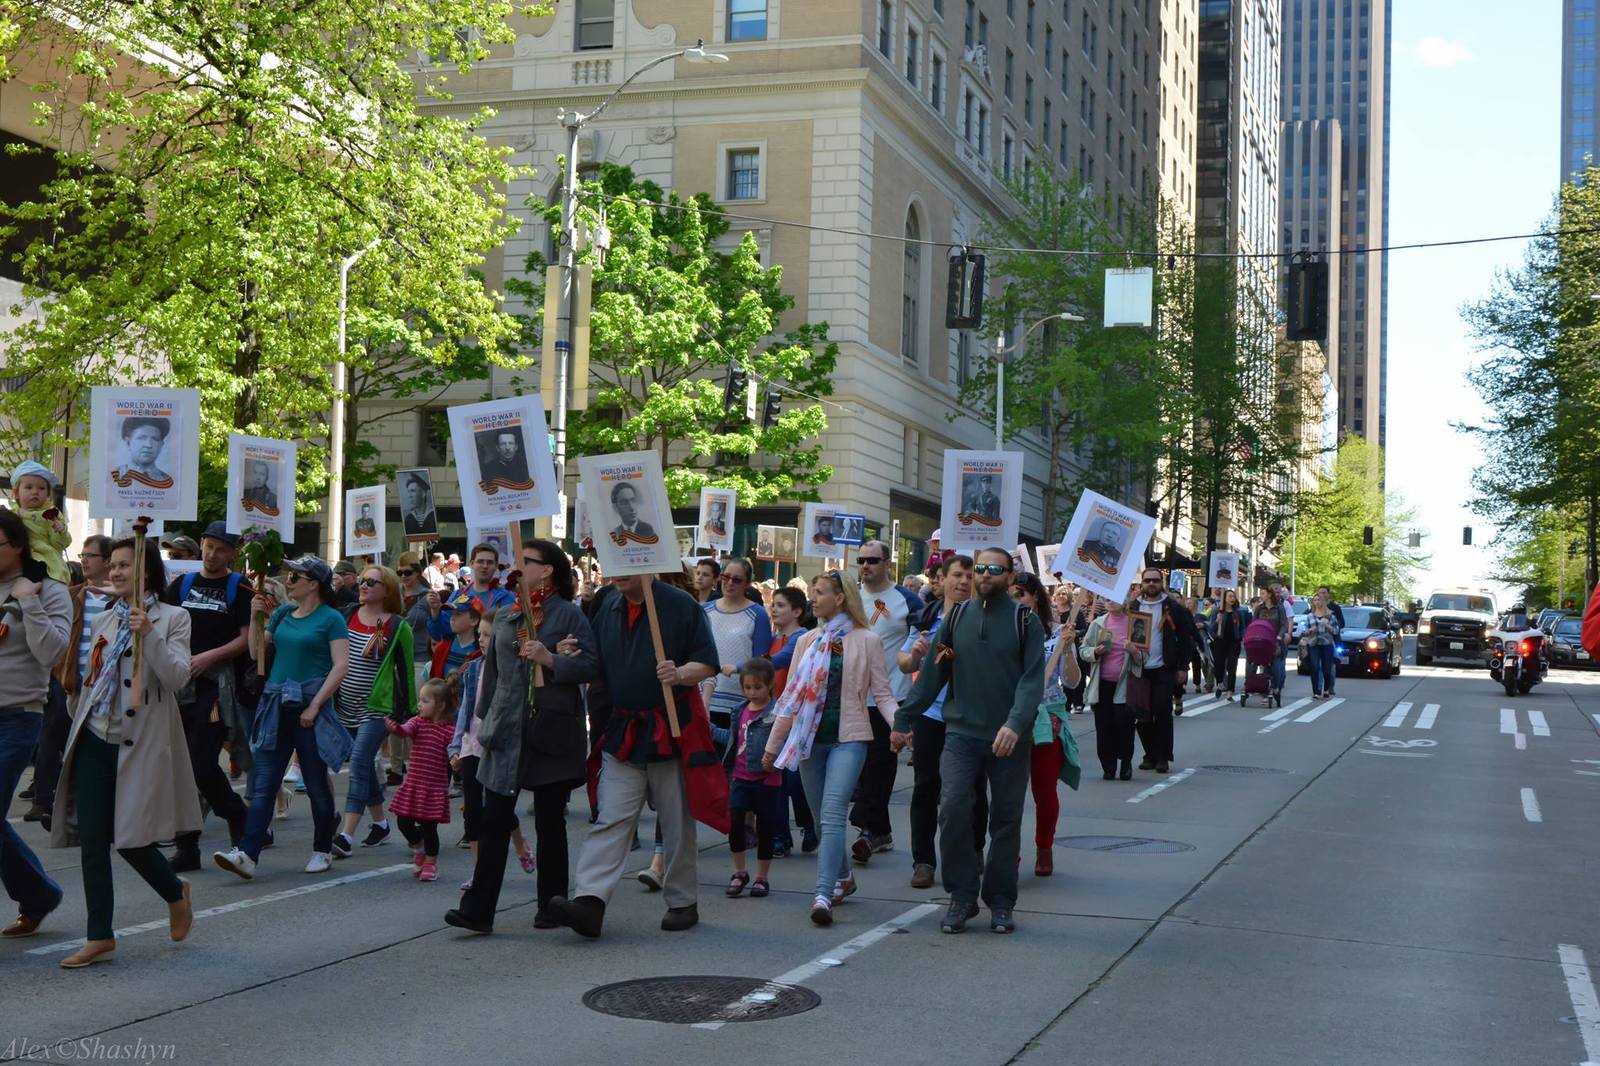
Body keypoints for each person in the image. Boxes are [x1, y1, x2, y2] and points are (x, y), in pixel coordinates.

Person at [49, 537, 197, 968]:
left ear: (146, 571)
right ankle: (100, 936)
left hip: (142, 743)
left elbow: (176, 678)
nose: (114, 572)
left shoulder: (174, 618)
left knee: (132, 839)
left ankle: (175, 892)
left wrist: (148, 634)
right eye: (111, 565)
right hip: (96, 736)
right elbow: (93, 676)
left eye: (124, 565)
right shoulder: (104, 620)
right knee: (92, 840)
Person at [548, 572, 717, 939]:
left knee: (676, 821)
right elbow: (593, 662)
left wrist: (680, 673)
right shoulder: (606, 602)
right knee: (610, 817)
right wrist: (569, 653)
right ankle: (590, 902)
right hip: (623, 727)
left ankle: (682, 901)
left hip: (670, 727)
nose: (616, 574)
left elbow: (706, 663)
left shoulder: (680, 604)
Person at [891, 546, 1045, 935]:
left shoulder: (1026, 622)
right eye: (981, 568)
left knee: (1006, 821)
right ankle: (961, 896)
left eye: (996, 569)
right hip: (961, 734)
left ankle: (1001, 902)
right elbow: (934, 671)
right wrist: (904, 717)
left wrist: (1014, 723)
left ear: (1011, 577)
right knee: (954, 808)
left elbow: (1031, 681)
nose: (986, 574)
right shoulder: (957, 616)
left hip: (1010, 739)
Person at [447, 540, 598, 932]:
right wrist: (485, 719)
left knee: (550, 821)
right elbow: (495, 669)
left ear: (547, 569)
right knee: (493, 819)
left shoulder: (569, 615)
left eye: (527, 561)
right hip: (506, 730)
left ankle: (551, 905)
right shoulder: (508, 615)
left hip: (550, 730)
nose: (518, 566)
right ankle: (477, 910)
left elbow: (592, 666)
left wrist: (553, 658)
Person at [761, 569, 898, 926]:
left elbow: (882, 694)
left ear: (839, 598)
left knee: (833, 815)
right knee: (823, 821)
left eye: (819, 592)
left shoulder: (867, 640)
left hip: (849, 739)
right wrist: (773, 746)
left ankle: (822, 894)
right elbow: (790, 698)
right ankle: (845, 877)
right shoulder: (808, 641)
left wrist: (901, 726)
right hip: (809, 741)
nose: (813, 599)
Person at [213, 556, 352, 880]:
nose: (288, 580)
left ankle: (321, 848)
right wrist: (255, 617)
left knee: (317, 785)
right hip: (276, 702)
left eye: (295, 576)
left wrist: (315, 705)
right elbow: (254, 651)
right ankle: (248, 853)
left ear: (313, 583)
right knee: (263, 784)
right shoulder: (284, 613)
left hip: (308, 706)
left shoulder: (331, 618)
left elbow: (340, 665)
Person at [161, 521, 253, 871]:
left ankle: (236, 814)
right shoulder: (181, 584)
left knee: (200, 764)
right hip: (177, 684)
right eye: (208, 546)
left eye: (221, 549)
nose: (212, 554)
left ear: (232, 553)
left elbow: (247, 637)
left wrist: (210, 657)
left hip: (215, 688)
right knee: (178, 768)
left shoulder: (239, 587)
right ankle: (187, 847)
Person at [0, 509, 71, 940]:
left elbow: (54, 654)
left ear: (19, 545)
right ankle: (39, 894)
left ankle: (39, 894)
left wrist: (28, 601)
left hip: (16, 718)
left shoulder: (49, 591)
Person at [897, 553, 987, 890]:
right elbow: (905, 663)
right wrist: (917, 655)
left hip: (971, 717)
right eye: (957, 575)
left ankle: (974, 849)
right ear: (941, 580)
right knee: (926, 787)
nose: (964, 581)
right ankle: (923, 861)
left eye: (969, 576)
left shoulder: (984, 619)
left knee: (972, 789)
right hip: (932, 715)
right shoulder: (926, 617)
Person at [331, 565, 417, 859]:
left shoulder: (397, 626)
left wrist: (410, 716)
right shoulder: (345, 615)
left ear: (387, 591)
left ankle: (345, 835)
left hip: (377, 709)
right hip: (343, 704)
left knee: (358, 762)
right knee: (365, 767)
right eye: (363, 580)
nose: (364, 585)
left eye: (372, 582)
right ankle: (381, 823)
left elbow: (406, 675)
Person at [849, 539, 922, 863]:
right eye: (861, 561)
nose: (866, 566)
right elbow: (836, 638)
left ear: (887, 564)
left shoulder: (906, 600)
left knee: (881, 760)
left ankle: (865, 823)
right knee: (861, 764)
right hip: (854, 694)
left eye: (873, 561)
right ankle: (880, 832)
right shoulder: (850, 597)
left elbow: (925, 636)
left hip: (893, 695)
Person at [36, 535, 115, 824]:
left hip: (105, 693)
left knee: (88, 755)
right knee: (53, 744)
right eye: (82, 554)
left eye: (90, 555)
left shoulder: (120, 600)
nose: (83, 559)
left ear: (106, 561)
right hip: (70, 686)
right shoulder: (71, 595)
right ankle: (49, 804)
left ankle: (80, 815)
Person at [1013, 573, 1079, 876]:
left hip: (1045, 718)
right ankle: (1007, 850)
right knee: (1007, 791)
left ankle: (1044, 847)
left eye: (1022, 593)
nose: (1017, 600)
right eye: (1011, 594)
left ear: (1036, 596)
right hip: (1008, 717)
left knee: (1043, 788)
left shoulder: (1057, 632)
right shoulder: (1002, 630)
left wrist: (1066, 649)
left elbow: (1073, 680)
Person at [381, 678, 455, 881]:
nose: (420, 704)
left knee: (429, 827)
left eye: (425, 701)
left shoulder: (449, 730)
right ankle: (418, 847)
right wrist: (395, 728)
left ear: (440, 706)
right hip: (414, 784)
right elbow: (405, 731)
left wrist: (457, 760)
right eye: (420, 700)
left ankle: (431, 862)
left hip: (434, 787)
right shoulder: (417, 723)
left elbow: (455, 751)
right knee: (403, 822)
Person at [1130, 567, 1201, 775]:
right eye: (1147, 580)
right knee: (1142, 715)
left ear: (1162, 582)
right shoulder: (1133, 606)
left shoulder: (1174, 608)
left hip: (1164, 668)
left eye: (1155, 580)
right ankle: (1149, 754)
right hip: (1140, 668)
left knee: (1162, 713)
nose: (1151, 584)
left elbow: (1187, 640)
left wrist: (1182, 667)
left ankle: (1162, 757)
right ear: (1142, 584)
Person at [724, 658, 782, 900]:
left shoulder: (777, 712)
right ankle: (739, 871)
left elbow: (785, 741)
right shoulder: (740, 711)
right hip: (740, 777)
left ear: (770, 685)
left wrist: (776, 758)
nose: (752, 692)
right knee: (735, 822)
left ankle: (762, 876)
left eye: (757, 687)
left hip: (766, 780)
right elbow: (732, 739)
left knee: (765, 828)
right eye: (747, 687)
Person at [702, 557, 772, 747]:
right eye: (726, 577)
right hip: (705, 699)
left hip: (740, 703)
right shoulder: (704, 610)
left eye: (737, 579)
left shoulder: (757, 614)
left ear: (747, 583)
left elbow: (761, 662)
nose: (730, 583)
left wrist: (738, 669)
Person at [765, 586, 814, 854]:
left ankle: (809, 825)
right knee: (776, 778)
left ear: (797, 612)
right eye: (773, 604)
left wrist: (747, 665)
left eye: (781, 605)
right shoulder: (773, 637)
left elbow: (780, 661)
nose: (774, 609)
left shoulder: (802, 637)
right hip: (773, 713)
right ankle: (781, 835)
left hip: (796, 715)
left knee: (794, 780)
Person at [1082, 595, 1141, 780]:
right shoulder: (1098, 623)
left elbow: (1144, 657)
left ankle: (1125, 763)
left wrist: (1134, 651)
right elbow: (1083, 650)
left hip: (1126, 684)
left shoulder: (1136, 623)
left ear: (1124, 601)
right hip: (1103, 685)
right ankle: (1108, 767)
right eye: (1105, 598)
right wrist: (1094, 652)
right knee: (1104, 727)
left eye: (1114, 598)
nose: (1109, 601)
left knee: (1124, 726)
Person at [426, 543, 514, 642]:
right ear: (472, 564)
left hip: (491, 656)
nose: (485, 566)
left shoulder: (506, 597)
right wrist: (435, 611)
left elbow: (515, 634)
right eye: (480, 561)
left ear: (496, 566)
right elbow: (438, 633)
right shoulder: (458, 595)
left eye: (489, 562)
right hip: (459, 655)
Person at [8, 460, 71, 584]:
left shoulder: (52, 514)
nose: (35, 491)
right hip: (15, 558)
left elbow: (62, 544)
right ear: (16, 493)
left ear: (48, 494)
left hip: (43, 559)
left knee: (35, 569)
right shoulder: (10, 515)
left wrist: (60, 531)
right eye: (29, 487)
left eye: (41, 488)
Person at [1256, 584, 1293, 704]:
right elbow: (1254, 623)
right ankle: (1266, 692)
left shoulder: (1279, 608)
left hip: (1276, 641)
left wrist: (1280, 635)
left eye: (1263, 594)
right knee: (1265, 668)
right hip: (1263, 641)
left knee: (1277, 668)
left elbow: (1284, 624)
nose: (1261, 596)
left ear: (1269, 595)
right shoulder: (1259, 609)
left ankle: (1277, 688)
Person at [1209, 589, 1248, 700]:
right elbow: (1211, 629)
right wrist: (1217, 622)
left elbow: (1242, 628)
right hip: (1219, 641)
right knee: (1219, 666)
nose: (1232, 598)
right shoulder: (1217, 611)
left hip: (1234, 642)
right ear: (1224, 598)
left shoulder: (1238, 612)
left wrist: (1243, 637)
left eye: (1233, 596)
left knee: (1232, 667)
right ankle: (1220, 683)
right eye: (1230, 596)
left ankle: (1230, 690)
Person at [113, 416, 172, 486]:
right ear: (128, 443)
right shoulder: (115, 476)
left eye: (155, 439)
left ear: (161, 445)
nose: (148, 445)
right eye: (142, 438)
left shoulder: (166, 480)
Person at [1302, 593, 1340, 699]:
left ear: (1323, 602)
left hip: (1326, 644)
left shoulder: (1331, 616)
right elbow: (1304, 631)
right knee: (1314, 667)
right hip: (1314, 644)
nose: (1317, 602)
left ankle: (1326, 689)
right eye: (1315, 600)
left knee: (1327, 668)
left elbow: (1336, 630)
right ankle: (1316, 691)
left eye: (1319, 600)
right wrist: (1310, 630)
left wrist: (1328, 626)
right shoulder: (1310, 616)